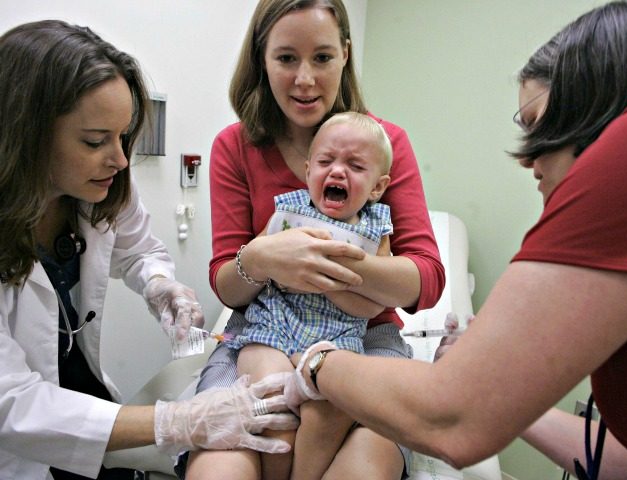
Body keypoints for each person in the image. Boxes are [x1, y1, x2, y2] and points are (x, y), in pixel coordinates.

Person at [285, 1, 627, 479]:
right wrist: (498, 399)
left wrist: (315, 362)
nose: (525, 158)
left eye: (539, 126)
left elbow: (451, 420)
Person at [0, 20, 298, 480]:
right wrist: (178, 420)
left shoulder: (97, 186)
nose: (119, 160)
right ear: (25, 134)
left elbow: (138, 250)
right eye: (95, 141)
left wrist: (160, 285)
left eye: (123, 136)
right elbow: (13, 406)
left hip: (84, 412)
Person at [182, 0, 445, 479]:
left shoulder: (386, 144)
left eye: (322, 57)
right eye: (286, 58)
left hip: (363, 341)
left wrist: (321, 264)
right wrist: (261, 258)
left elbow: (425, 280)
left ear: (345, 54)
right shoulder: (234, 148)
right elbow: (226, 284)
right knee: (225, 466)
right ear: (262, 59)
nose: (305, 79)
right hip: (264, 330)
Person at [224, 111, 394, 479]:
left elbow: (376, 302)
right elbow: (259, 258)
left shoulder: (377, 227)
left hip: (337, 341)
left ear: (378, 187)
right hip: (274, 328)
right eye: (325, 161)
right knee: (274, 401)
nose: (337, 171)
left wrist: (324, 282)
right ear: (307, 171)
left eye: (355, 165)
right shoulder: (289, 211)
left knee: (331, 410)